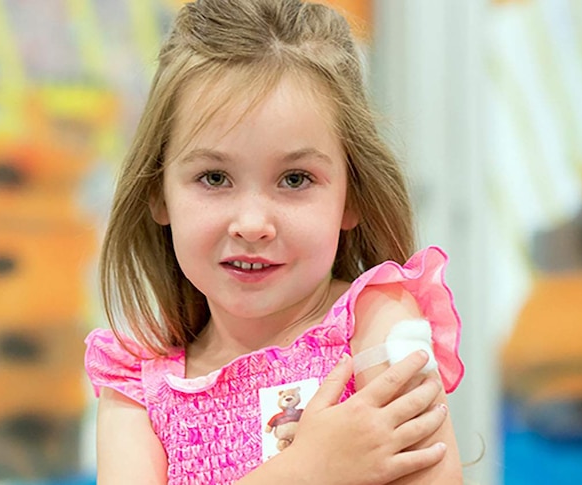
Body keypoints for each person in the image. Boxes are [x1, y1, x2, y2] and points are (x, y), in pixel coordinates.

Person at [84, 0, 465, 483]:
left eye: (295, 179)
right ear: (159, 193)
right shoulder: (136, 383)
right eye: (215, 177)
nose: (252, 223)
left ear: (352, 195)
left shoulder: (378, 320)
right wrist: (308, 470)